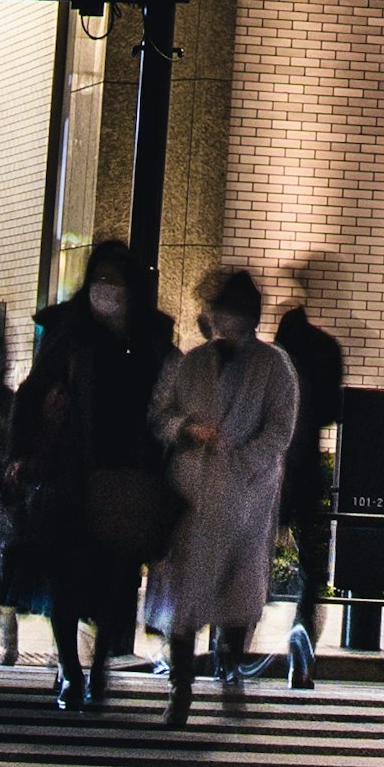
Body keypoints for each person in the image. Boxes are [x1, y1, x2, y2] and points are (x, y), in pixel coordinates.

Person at [9, 237, 172, 710]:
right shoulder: (69, 332)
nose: (107, 290)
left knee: (116, 579)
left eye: (116, 282)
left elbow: (164, 404)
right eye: (99, 280)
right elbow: (31, 393)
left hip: (128, 473)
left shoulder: (150, 341)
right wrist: (23, 452)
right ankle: (70, 669)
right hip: (71, 471)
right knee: (67, 572)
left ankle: (98, 665)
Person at [145, 265, 299, 725]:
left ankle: (230, 672)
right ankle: (181, 686)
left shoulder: (274, 366)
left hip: (244, 500)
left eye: (232, 312)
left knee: (236, 594)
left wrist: (244, 460)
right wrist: (189, 431)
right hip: (191, 492)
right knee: (183, 596)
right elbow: (161, 414)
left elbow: (280, 429)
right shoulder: (191, 362)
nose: (224, 322)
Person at [269, 274, 344, 688]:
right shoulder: (326, 350)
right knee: (312, 569)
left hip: (270, 472)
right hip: (309, 471)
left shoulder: (273, 356)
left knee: (255, 556)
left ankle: (232, 644)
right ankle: (302, 640)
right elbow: (334, 410)